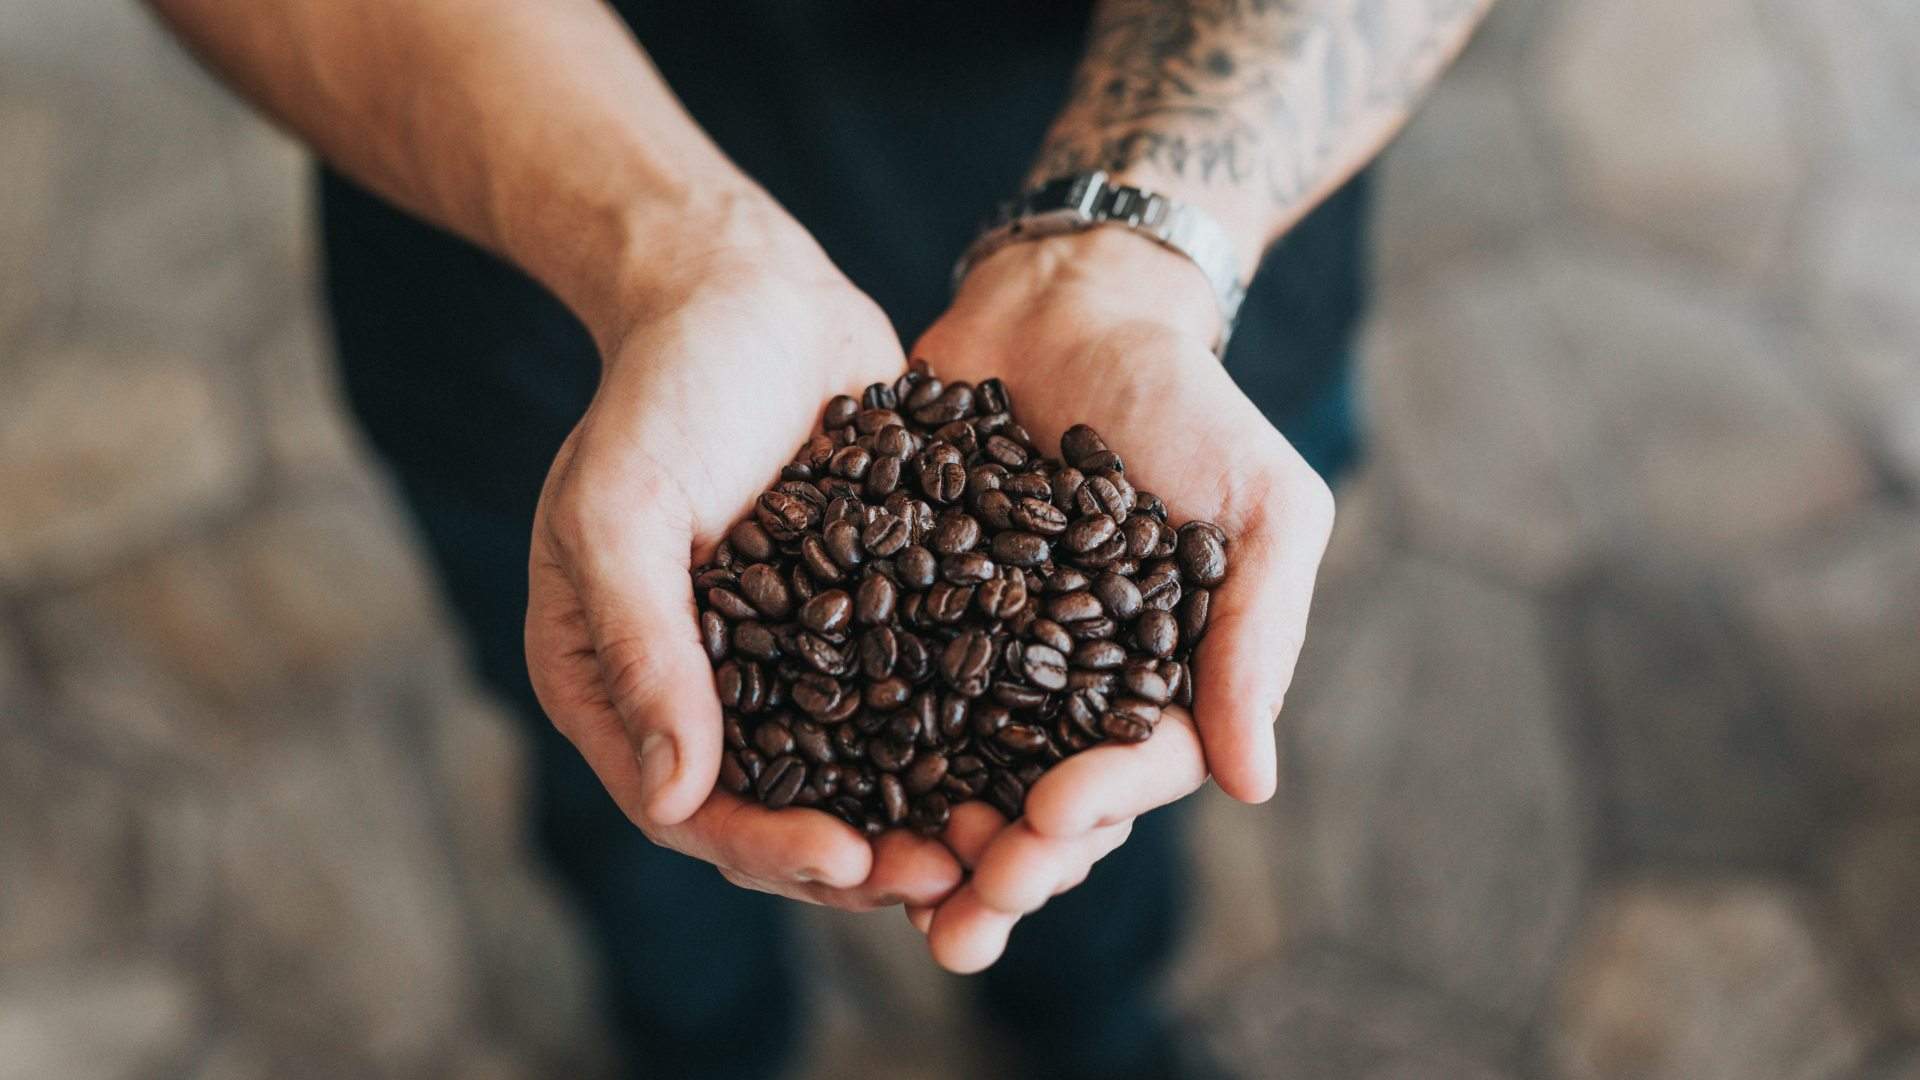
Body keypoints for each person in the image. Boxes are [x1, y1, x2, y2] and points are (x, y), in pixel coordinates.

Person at [147, 2, 1492, 1076]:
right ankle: (699, 1047)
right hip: (538, 251)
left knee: (1095, 829)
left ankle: (1088, 1034)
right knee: (651, 794)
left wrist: (1134, 257)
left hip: (1190, 286)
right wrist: (666, 252)